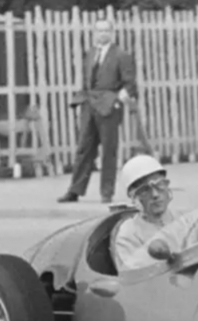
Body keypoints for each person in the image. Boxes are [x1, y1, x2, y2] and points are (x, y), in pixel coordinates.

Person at [58, 19, 138, 204]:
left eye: (106, 30)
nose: (103, 34)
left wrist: (118, 99)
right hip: (90, 105)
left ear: (112, 33)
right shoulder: (91, 54)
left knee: (109, 149)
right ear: (94, 33)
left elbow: (130, 84)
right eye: (99, 31)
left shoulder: (121, 55)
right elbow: (87, 80)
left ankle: (106, 192)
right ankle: (75, 190)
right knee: (84, 148)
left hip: (109, 105)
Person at [111, 155, 176, 271]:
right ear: (133, 196)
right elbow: (134, 276)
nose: (155, 194)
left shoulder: (180, 218)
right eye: (145, 190)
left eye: (160, 185)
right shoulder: (129, 234)